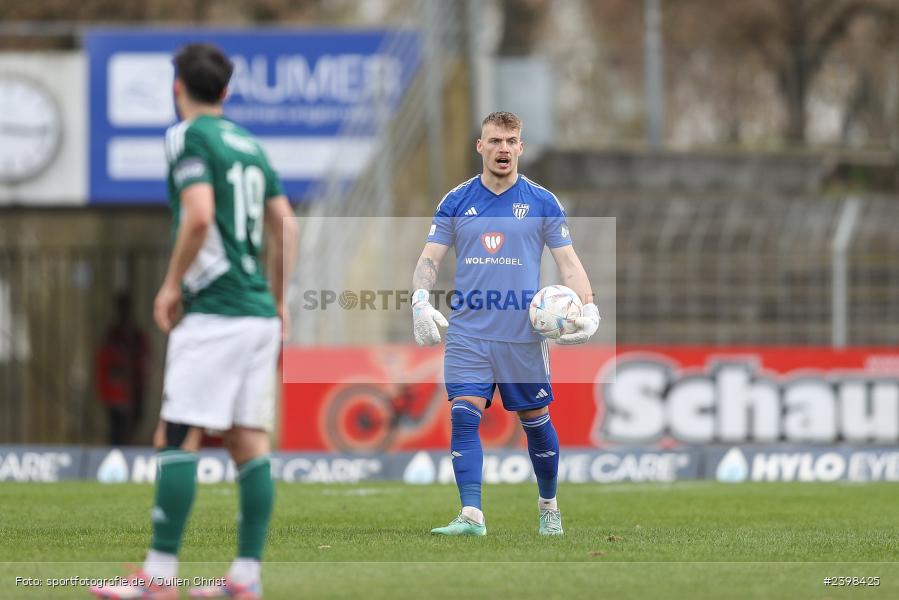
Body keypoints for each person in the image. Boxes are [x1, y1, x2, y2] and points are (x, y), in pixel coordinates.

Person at [91, 42, 297, 600]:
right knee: (248, 442)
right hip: (256, 313)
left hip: (215, 313)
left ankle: (158, 576)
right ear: (226, 91)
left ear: (176, 87)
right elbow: (287, 223)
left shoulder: (187, 136)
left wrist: (171, 282)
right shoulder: (248, 144)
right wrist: (278, 301)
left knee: (175, 435)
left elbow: (200, 215)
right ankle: (245, 578)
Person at [411, 111, 599, 536]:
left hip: (521, 335)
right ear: (480, 146)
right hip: (468, 332)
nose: (503, 149)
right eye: (494, 141)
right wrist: (420, 300)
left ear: (521, 148)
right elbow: (429, 259)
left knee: (536, 422)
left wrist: (589, 309)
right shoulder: (456, 200)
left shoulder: (542, 202)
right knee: (463, 415)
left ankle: (548, 505)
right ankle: (472, 515)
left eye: (511, 141)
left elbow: (568, 264)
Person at [95, 292, 150, 446]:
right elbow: (107, 365)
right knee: (117, 430)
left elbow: (144, 360)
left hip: (134, 391)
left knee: (133, 426)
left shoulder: (137, 336)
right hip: (116, 395)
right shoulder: (113, 335)